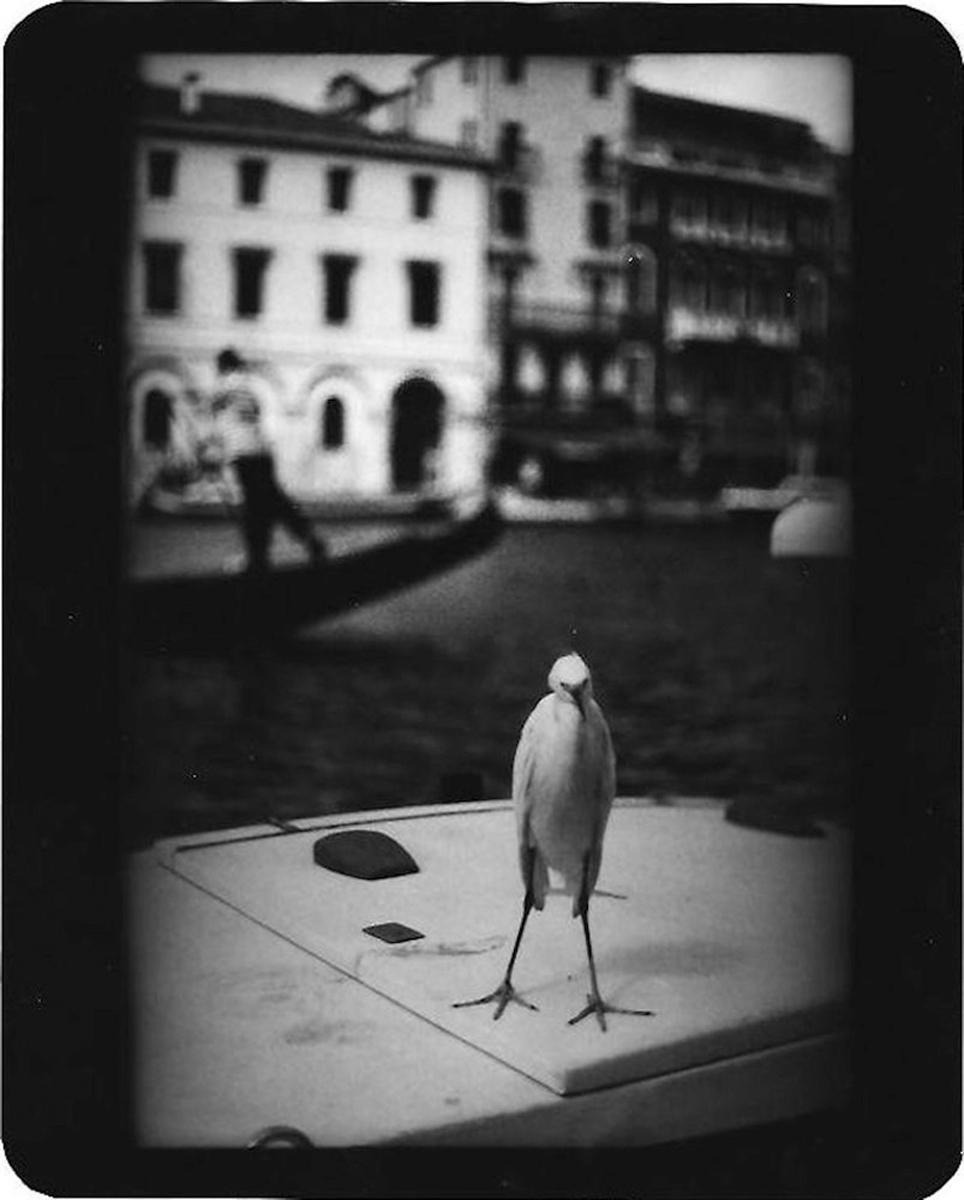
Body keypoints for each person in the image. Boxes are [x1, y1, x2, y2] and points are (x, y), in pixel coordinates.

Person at [208, 349, 326, 573]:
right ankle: (308, 541)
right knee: (275, 503)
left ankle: (258, 559)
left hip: (244, 455)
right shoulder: (247, 387)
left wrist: (211, 448)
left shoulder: (227, 385)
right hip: (261, 452)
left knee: (256, 508)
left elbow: (218, 411)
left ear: (222, 366)